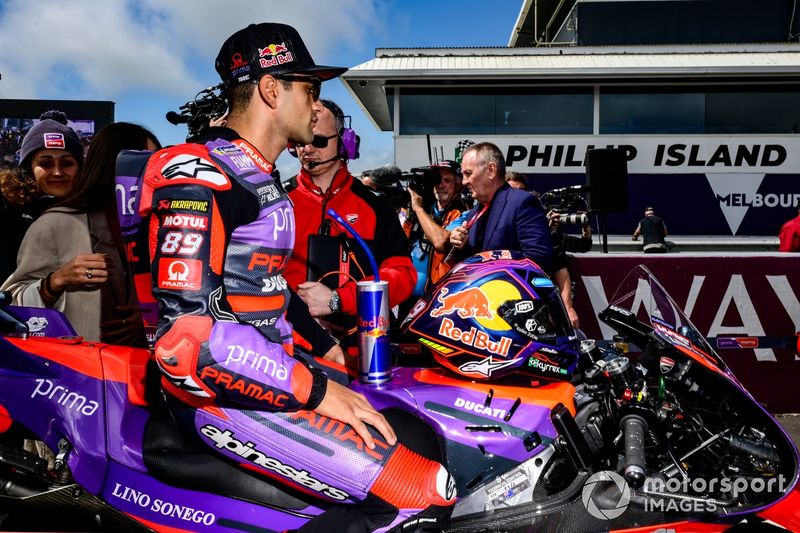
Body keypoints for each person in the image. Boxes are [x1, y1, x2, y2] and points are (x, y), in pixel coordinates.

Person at [138, 23, 453, 532]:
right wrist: (316, 390)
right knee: (422, 493)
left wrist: (323, 348)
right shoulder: (200, 172)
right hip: (219, 395)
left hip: (272, 378)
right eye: (308, 90)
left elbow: (262, 289)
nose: (316, 105)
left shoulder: (257, 174)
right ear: (269, 89)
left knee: (419, 437)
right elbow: (186, 343)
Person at [2, 122, 160, 345]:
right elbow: (10, 304)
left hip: (148, 369)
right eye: (143, 161)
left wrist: (150, 321)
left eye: (67, 163)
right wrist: (54, 282)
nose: (157, 169)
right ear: (111, 164)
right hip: (80, 373)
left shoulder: (165, 224)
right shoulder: (55, 223)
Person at [286, 99, 416, 329]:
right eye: (300, 140)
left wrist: (339, 299)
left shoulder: (375, 205)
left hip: (359, 345)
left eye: (318, 140)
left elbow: (402, 275)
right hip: (290, 345)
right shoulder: (278, 200)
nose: (306, 149)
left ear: (346, 142)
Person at [0, 111, 84, 282]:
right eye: (46, 163)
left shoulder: (95, 210)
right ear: (28, 168)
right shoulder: (7, 209)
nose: (58, 172)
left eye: (67, 163)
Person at [449, 142, 553, 273]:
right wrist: (461, 246)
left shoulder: (522, 202)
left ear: (491, 170)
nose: (464, 182)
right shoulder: (472, 215)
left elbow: (538, 259)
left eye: (468, 173)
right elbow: (469, 265)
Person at [406, 160, 467, 295]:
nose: (440, 185)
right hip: (409, 295)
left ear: (459, 185)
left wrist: (418, 209)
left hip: (441, 294)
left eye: (446, 180)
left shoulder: (463, 211)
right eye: (436, 180)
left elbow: (441, 242)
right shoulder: (426, 207)